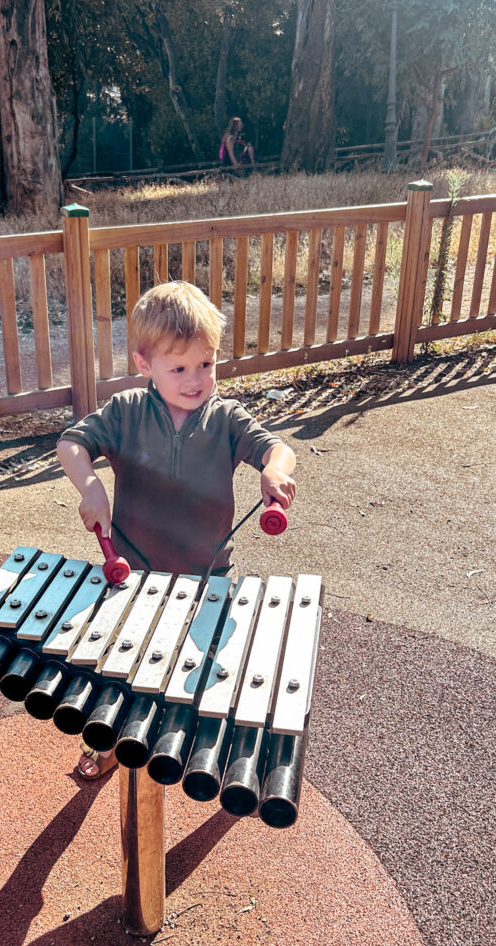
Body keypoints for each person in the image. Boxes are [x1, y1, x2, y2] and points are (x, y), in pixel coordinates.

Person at [56, 280, 296, 780]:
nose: (195, 379)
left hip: (207, 579)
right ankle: (105, 741)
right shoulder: (124, 413)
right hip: (134, 576)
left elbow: (275, 447)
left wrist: (274, 470)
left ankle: (216, 754)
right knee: (118, 669)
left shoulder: (226, 418)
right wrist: (90, 488)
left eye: (206, 365)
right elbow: (72, 443)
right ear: (145, 365)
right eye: (179, 368)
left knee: (207, 674)